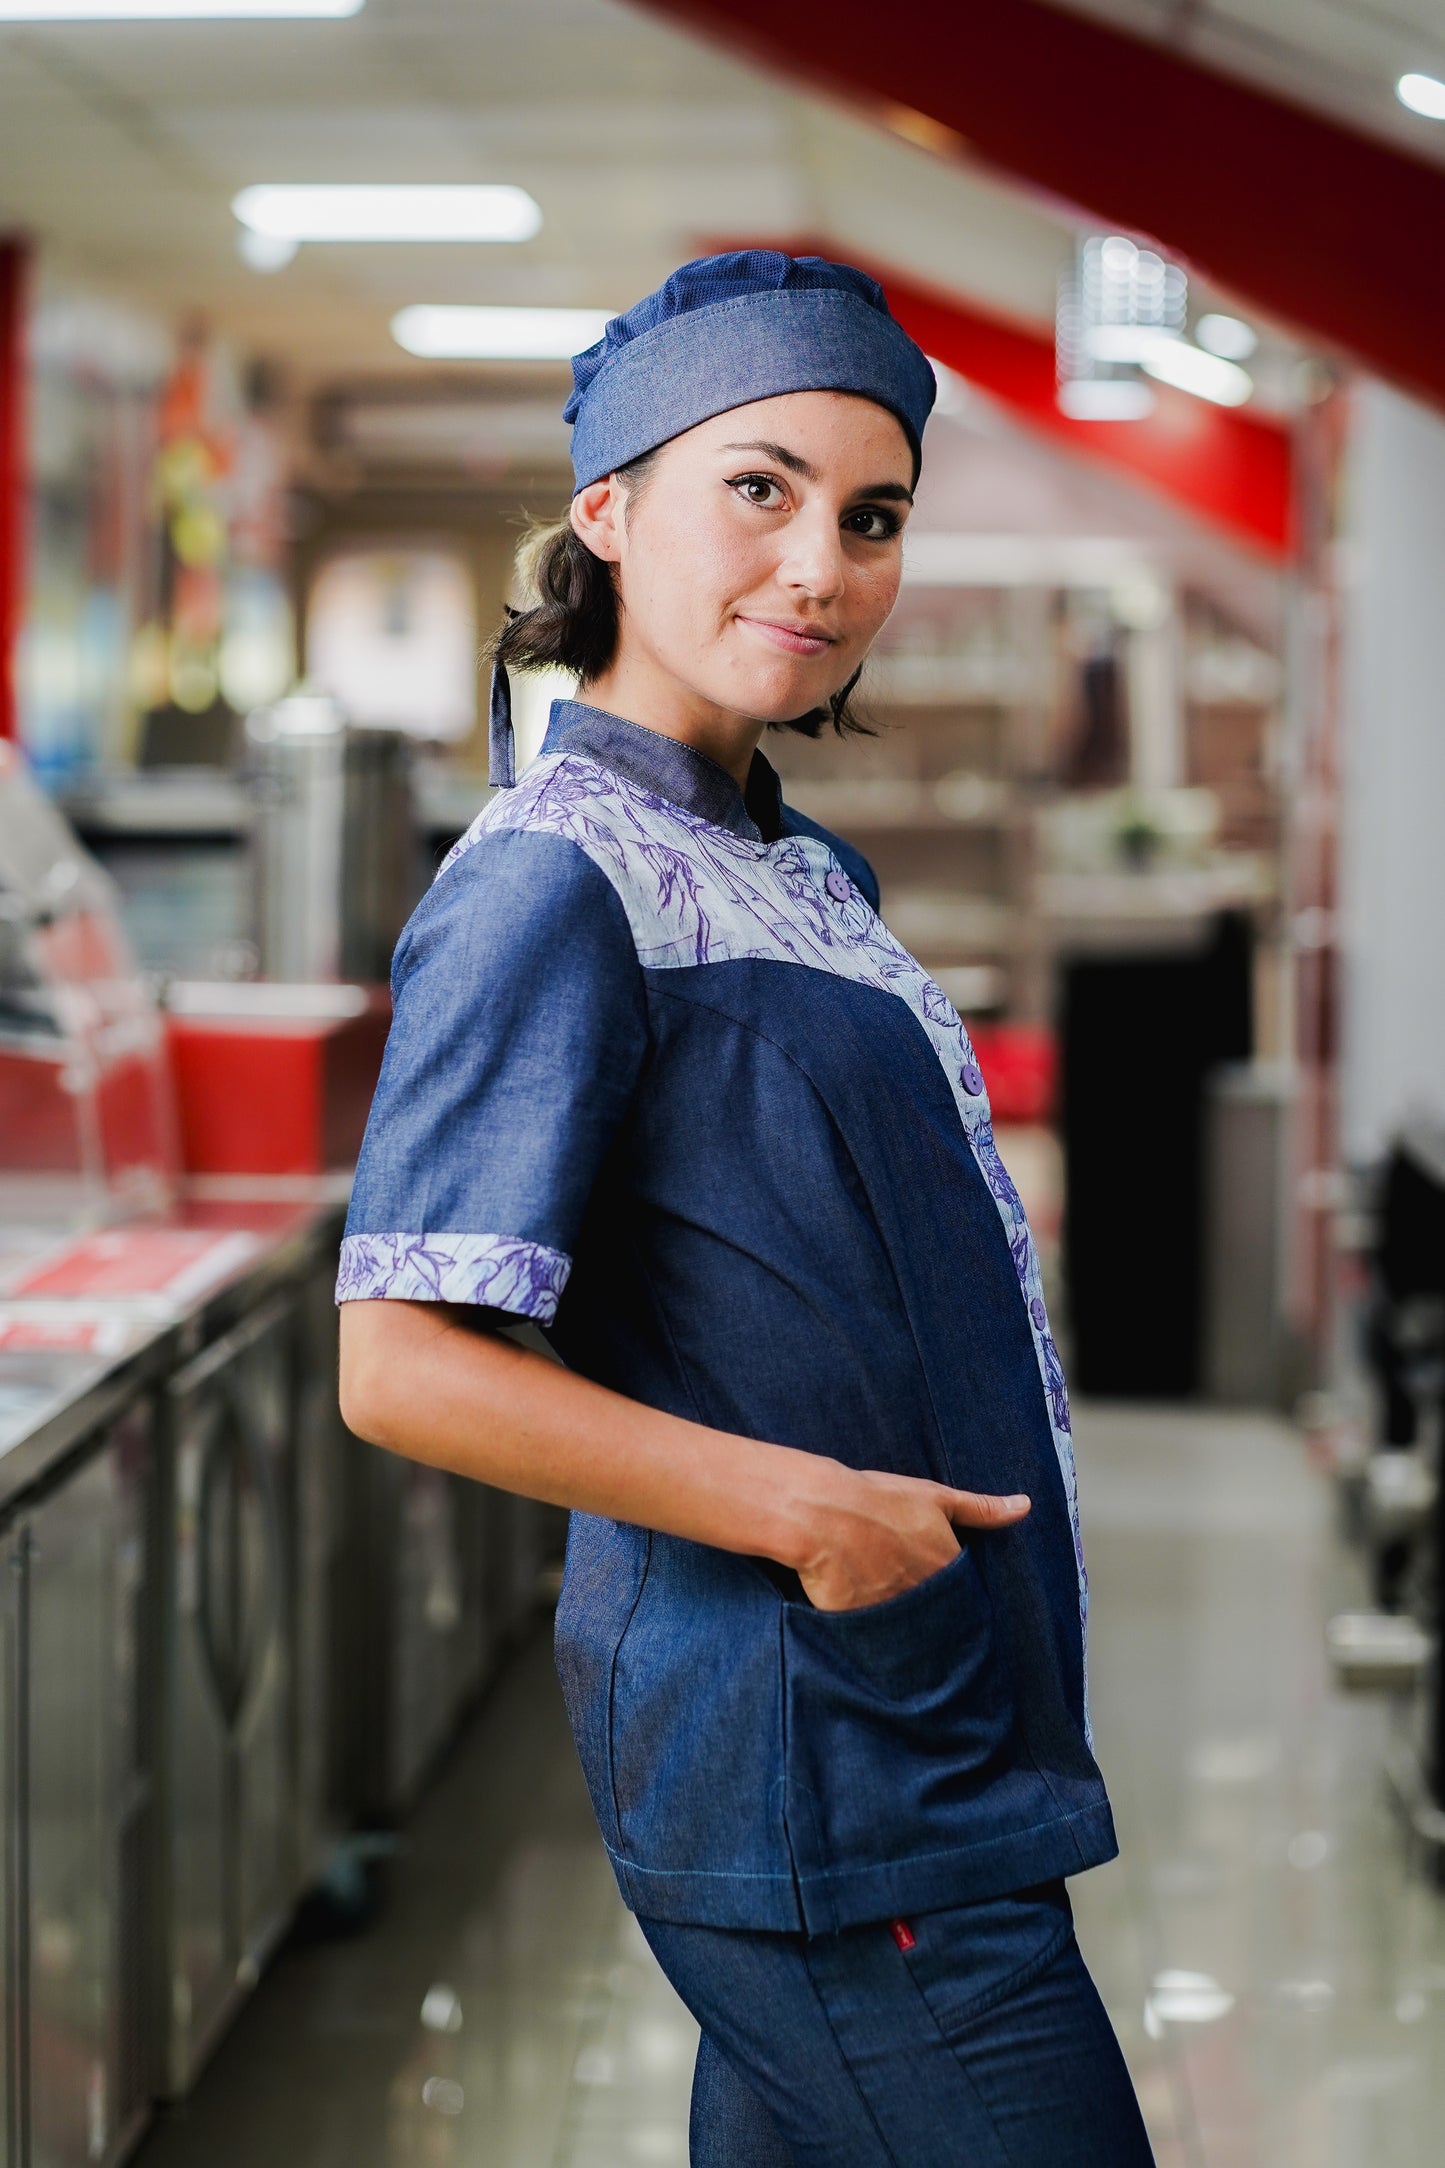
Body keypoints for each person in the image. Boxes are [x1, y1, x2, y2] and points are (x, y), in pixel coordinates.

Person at [337, 251, 1153, 2167]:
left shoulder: (793, 861)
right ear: (607, 511)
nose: (822, 567)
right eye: (759, 490)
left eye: (872, 519)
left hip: (916, 1716)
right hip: (819, 1748)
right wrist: (819, 1515)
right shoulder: (554, 877)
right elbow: (402, 1365)